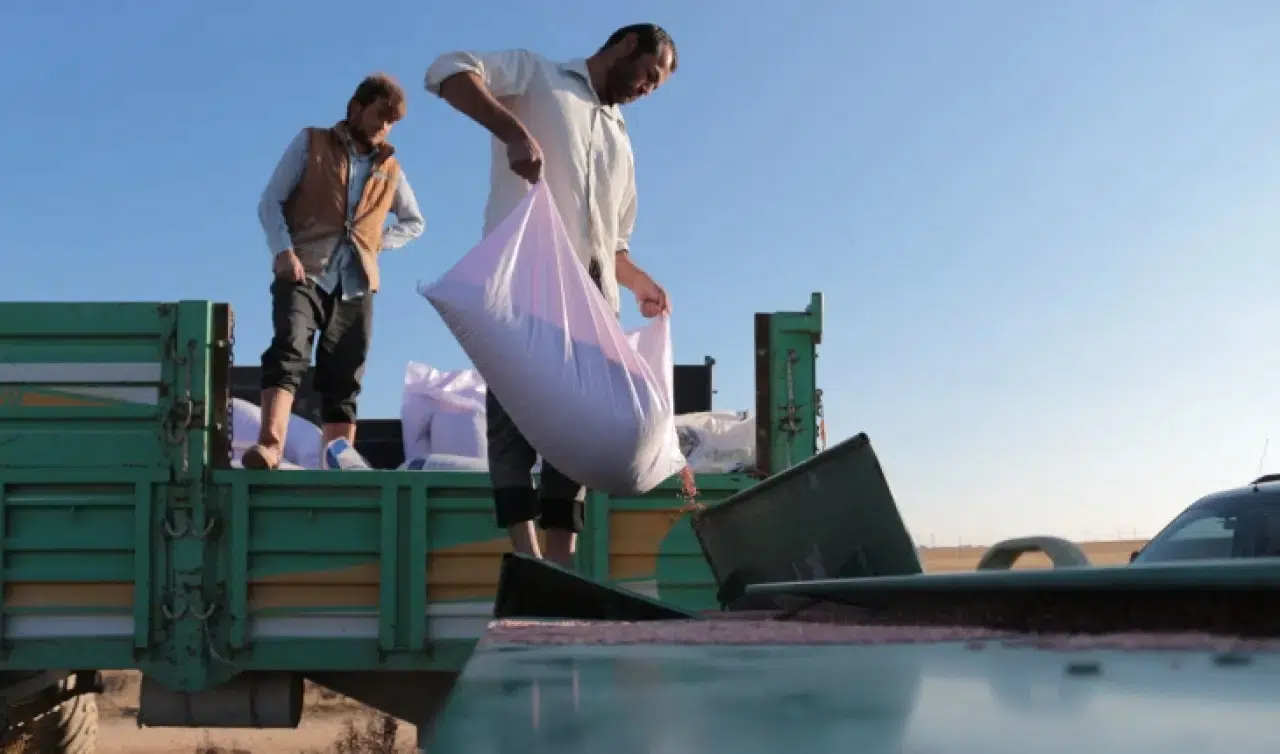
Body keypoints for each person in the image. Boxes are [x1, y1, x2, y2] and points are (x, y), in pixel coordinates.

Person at [425, 23, 678, 567]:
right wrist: (512, 131)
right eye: (649, 74)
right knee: (512, 423)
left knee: (580, 429)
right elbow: (447, 70)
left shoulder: (621, 140)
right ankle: (527, 555)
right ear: (627, 46)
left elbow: (614, 243)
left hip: (592, 303)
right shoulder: (538, 75)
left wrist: (641, 283)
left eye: (656, 87)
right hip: (525, 287)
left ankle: (561, 565)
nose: (647, 89)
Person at [243, 74, 426, 470]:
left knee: (346, 374)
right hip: (304, 268)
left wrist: (375, 244)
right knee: (289, 349)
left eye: (392, 122)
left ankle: (337, 463)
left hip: (356, 281)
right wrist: (283, 251)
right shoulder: (311, 143)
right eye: (380, 115)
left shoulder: (390, 167)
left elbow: (414, 222)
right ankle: (270, 446)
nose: (384, 127)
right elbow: (270, 201)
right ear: (356, 108)